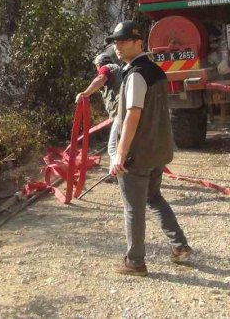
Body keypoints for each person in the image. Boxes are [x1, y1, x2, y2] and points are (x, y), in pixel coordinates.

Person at [105, 20, 192, 276]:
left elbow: (132, 115)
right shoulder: (157, 71)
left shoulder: (135, 75)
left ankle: (135, 262)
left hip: (138, 155)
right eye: (116, 42)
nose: (118, 47)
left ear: (138, 43)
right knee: (153, 197)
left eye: (123, 41)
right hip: (158, 151)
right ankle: (180, 246)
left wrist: (120, 153)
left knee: (133, 207)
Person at [75, 52, 123, 175]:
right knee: (123, 146)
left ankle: (115, 175)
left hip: (122, 114)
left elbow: (101, 78)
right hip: (125, 113)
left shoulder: (107, 68)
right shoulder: (117, 72)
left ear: (98, 65)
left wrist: (85, 93)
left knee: (113, 147)